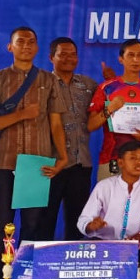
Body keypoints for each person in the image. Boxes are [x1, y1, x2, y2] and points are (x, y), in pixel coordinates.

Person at [0, 27, 68, 279]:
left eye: (31, 42)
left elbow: (56, 125)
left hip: (37, 163)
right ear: (10, 47)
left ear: (38, 48)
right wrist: (21, 114)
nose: (26, 46)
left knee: (33, 224)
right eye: (20, 42)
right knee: (3, 222)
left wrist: (61, 157)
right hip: (6, 162)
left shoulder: (49, 81)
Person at [77, 141, 140, 268]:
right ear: (120, 162)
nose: (138, 163)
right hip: (106, 243)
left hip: (138, 245)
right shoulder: (104, 186)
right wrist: (91, 226)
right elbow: (84, 220)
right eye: (133, 158)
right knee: (82, 250)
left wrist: (139, 237)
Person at [40, 37, 97, 240]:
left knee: (77, 222)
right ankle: (42, 269)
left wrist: (111, 80)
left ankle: (71, 269)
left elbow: (106, 104)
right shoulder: (41, 84)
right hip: (49, 164)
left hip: (80, 163)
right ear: (51, 57)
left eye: (73, 54)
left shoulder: (88, 85)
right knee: (43, 221)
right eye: (62, 54)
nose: (68, 58)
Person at [88, 39, 140, 182]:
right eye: (130, 55)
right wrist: (109, 108)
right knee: (109, 204)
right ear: (121, 59)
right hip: (112, 159)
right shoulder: (106, 88)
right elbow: (91, 125)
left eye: (139, 55)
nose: (135, 59)